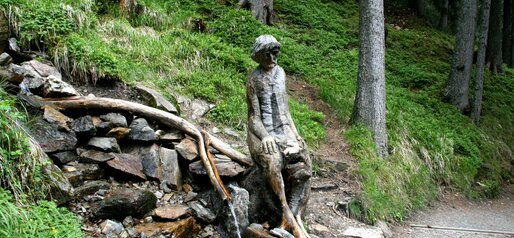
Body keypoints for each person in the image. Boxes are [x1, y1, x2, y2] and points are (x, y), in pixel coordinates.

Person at [246, 35, 312, 238]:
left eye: (276, 53)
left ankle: (295, 214)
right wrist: (265, 136)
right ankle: (284, 211)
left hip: (284, 131)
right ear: (260, 55)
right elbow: (253, 118)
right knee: (274, 162)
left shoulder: (281, 73)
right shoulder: (253, 79)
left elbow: (286, 111)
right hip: (261, 134)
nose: (274, 57)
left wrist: (296, 134)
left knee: (306, 161)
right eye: (269, 53)